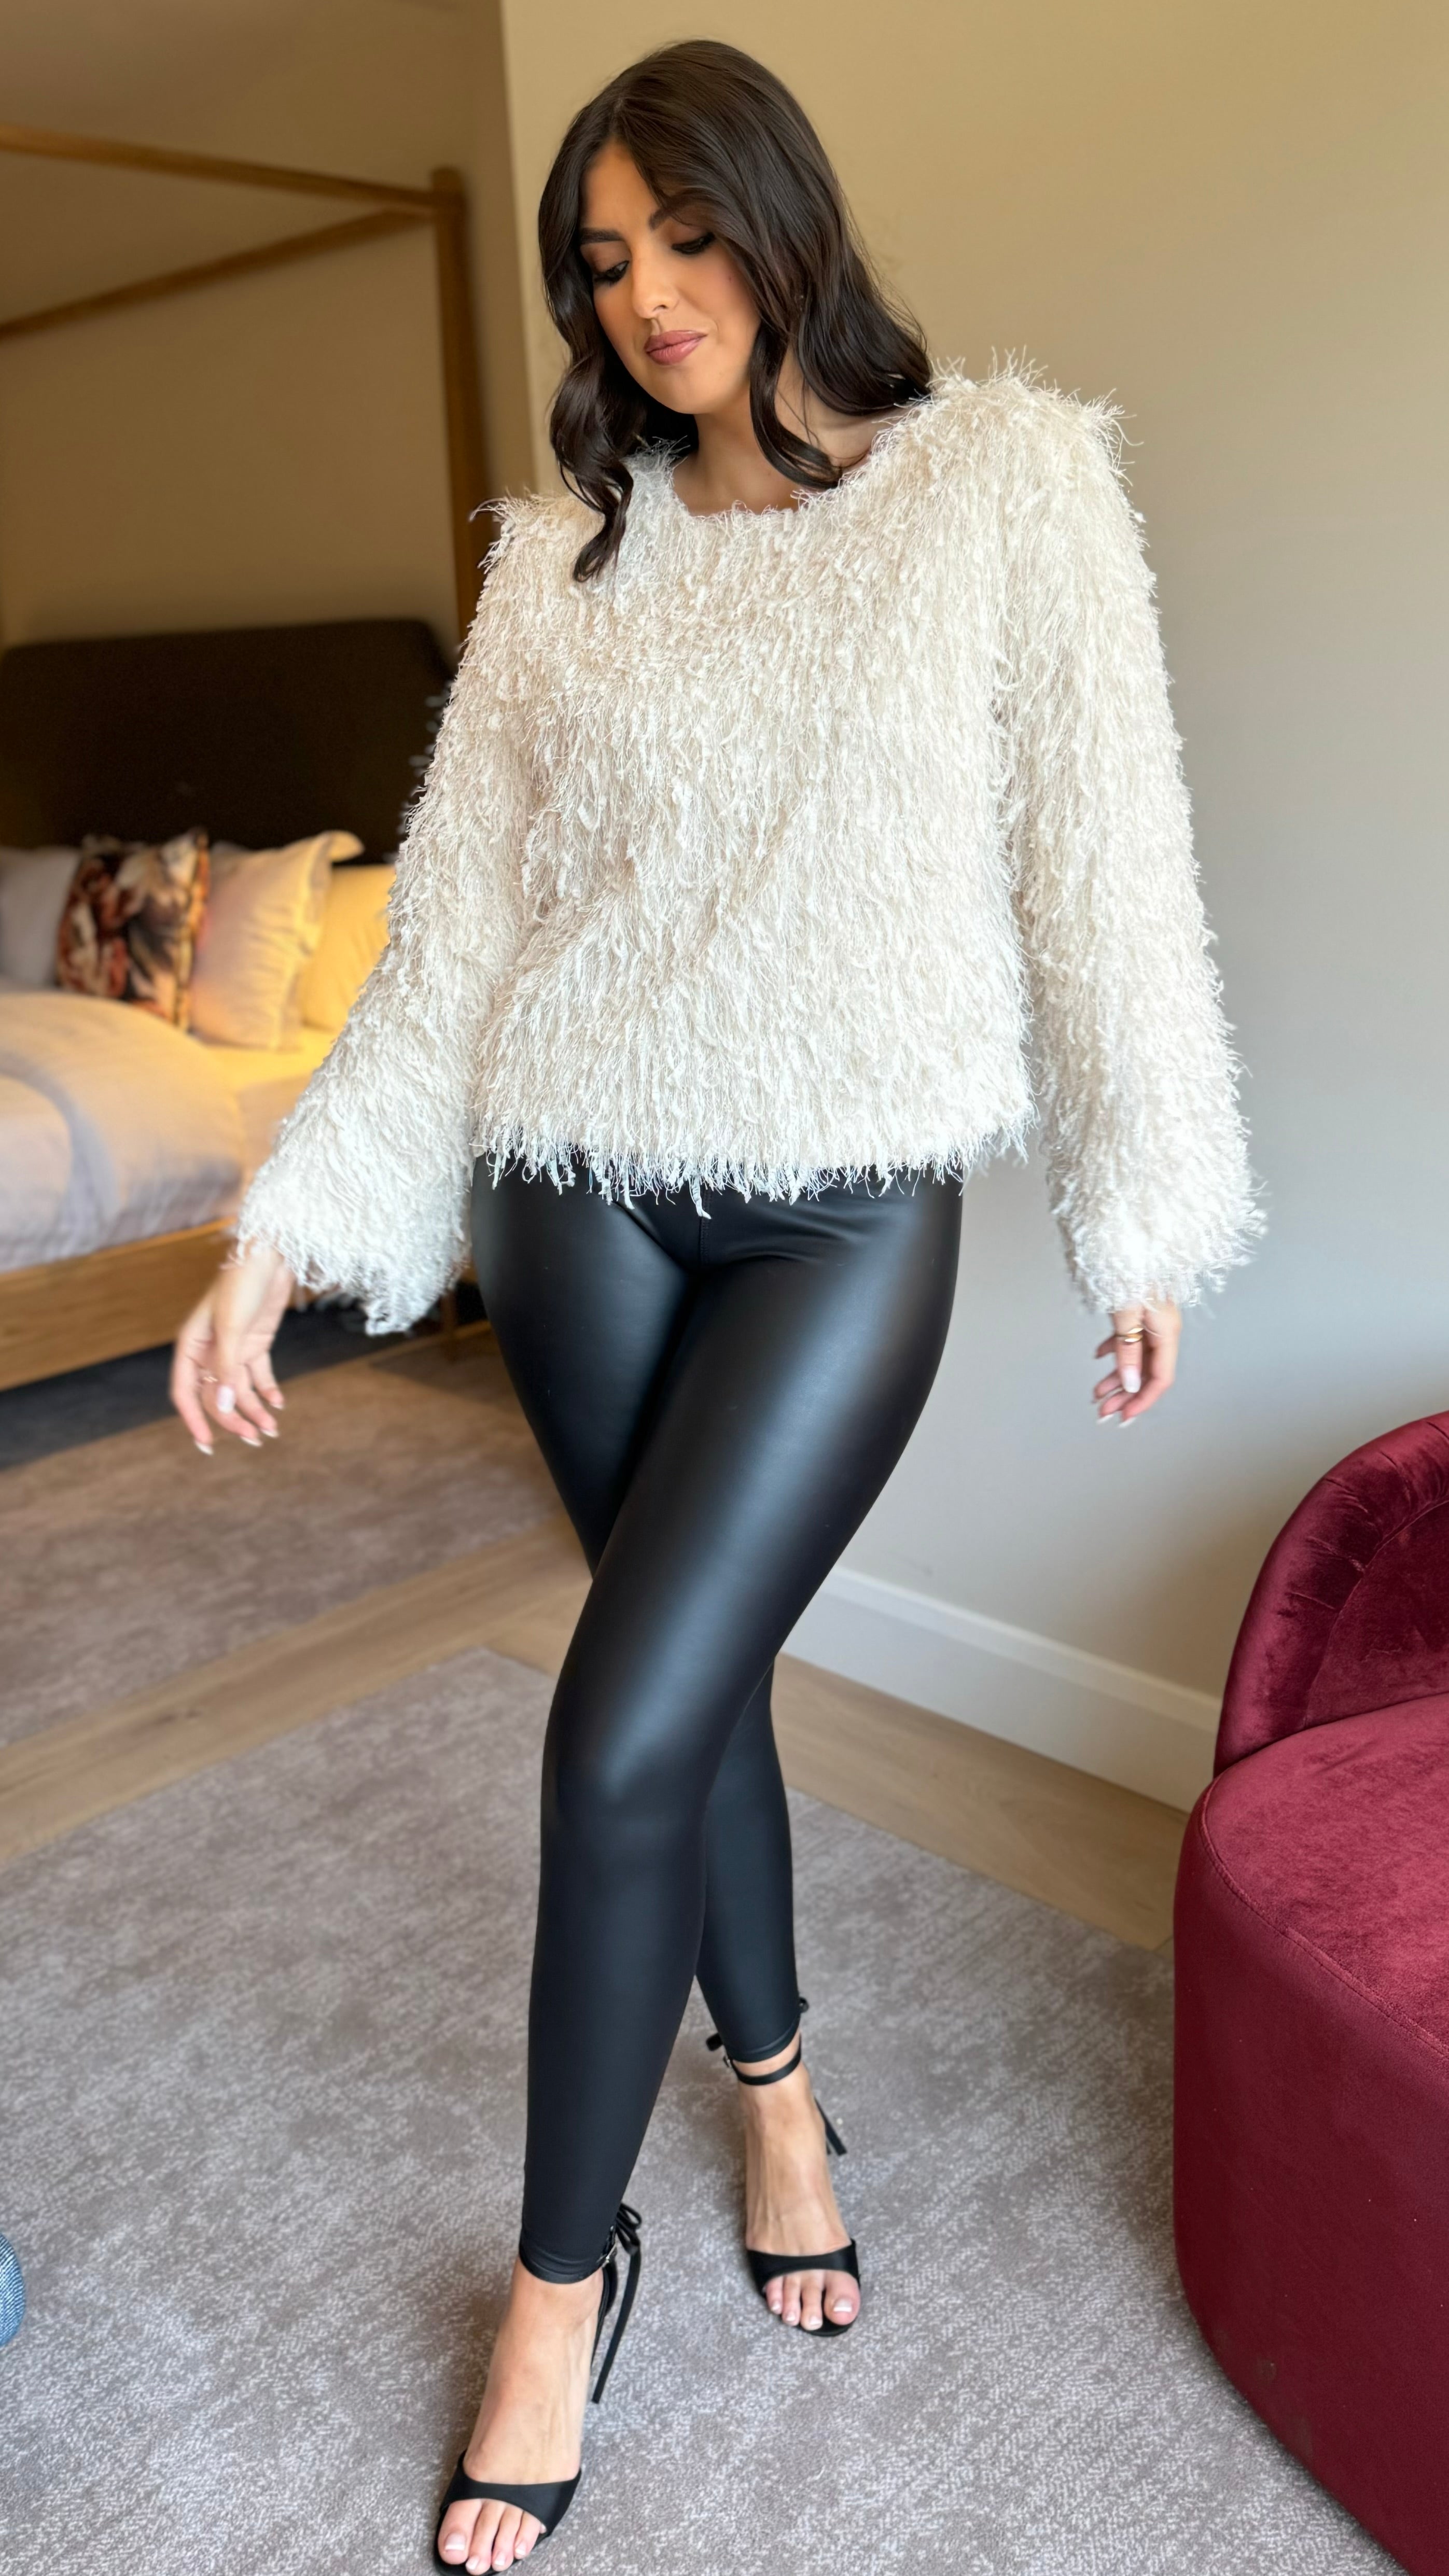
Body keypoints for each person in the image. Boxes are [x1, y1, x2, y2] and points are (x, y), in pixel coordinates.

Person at [170, 38, 1257, 2572]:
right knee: (696, 1679)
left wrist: (1142, 1207)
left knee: (617, 1720)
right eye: (602, 264)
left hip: (845, 1214)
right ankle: (772, 2098)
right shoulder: (566, 561)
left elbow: (1106, 859)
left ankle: (557, 2293)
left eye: (680, 233)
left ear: (779, 214)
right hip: (576, 1190)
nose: (647, 297)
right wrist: (282, 1226)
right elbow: (451, 940)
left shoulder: (1004, 484)